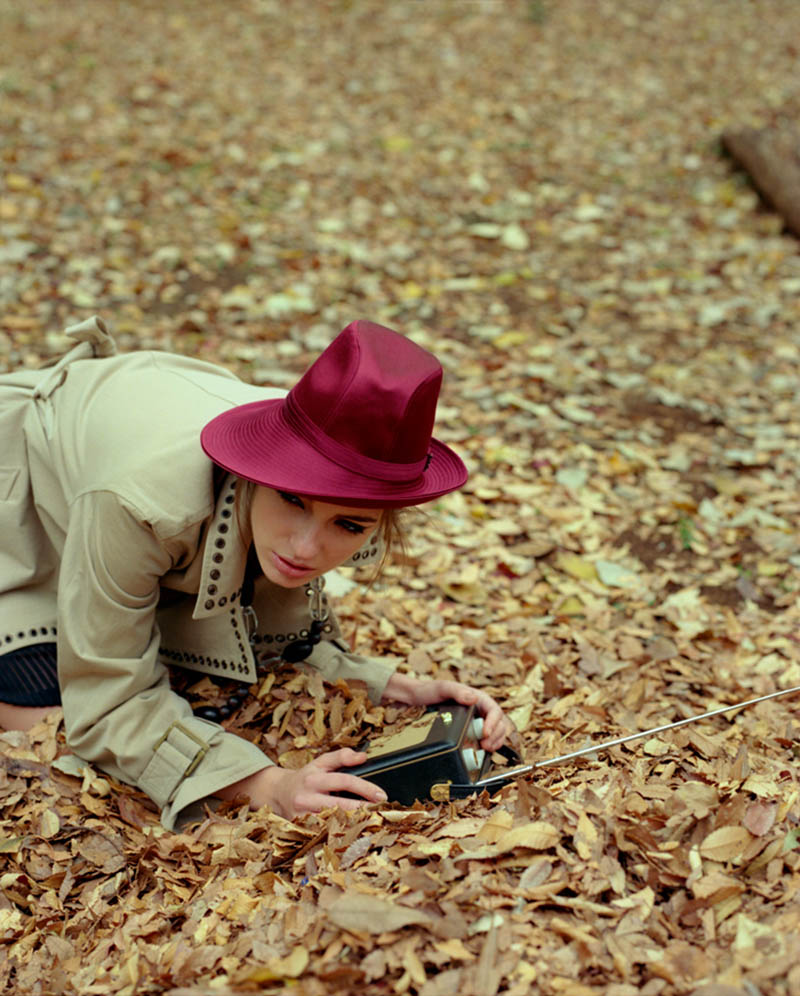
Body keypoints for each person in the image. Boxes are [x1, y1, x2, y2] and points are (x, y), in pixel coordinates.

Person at [0, 317, 512, 829]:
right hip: (20, 491)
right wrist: (266, 785)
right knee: (50, 715)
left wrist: (399, 688)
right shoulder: (140, 502)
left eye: (348, 525)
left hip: (109, 448)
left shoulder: (343, 434)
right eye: (292, 498)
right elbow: (109, 704)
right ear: (258, 464)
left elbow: (283, 635)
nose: (307, 547)